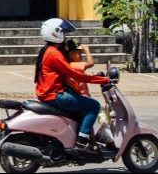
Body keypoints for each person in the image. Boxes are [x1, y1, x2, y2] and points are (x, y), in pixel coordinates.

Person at [35, 18, 110, 151]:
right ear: (55, 33)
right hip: (54, 95)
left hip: (48, 93)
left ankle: (83, 139)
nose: (65, 37)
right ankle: (81, 141)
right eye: (63, 33)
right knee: (93, 105)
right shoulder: (54, 53)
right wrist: (101, 80)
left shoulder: (47, 50)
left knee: (82, 105)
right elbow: (74, 74)